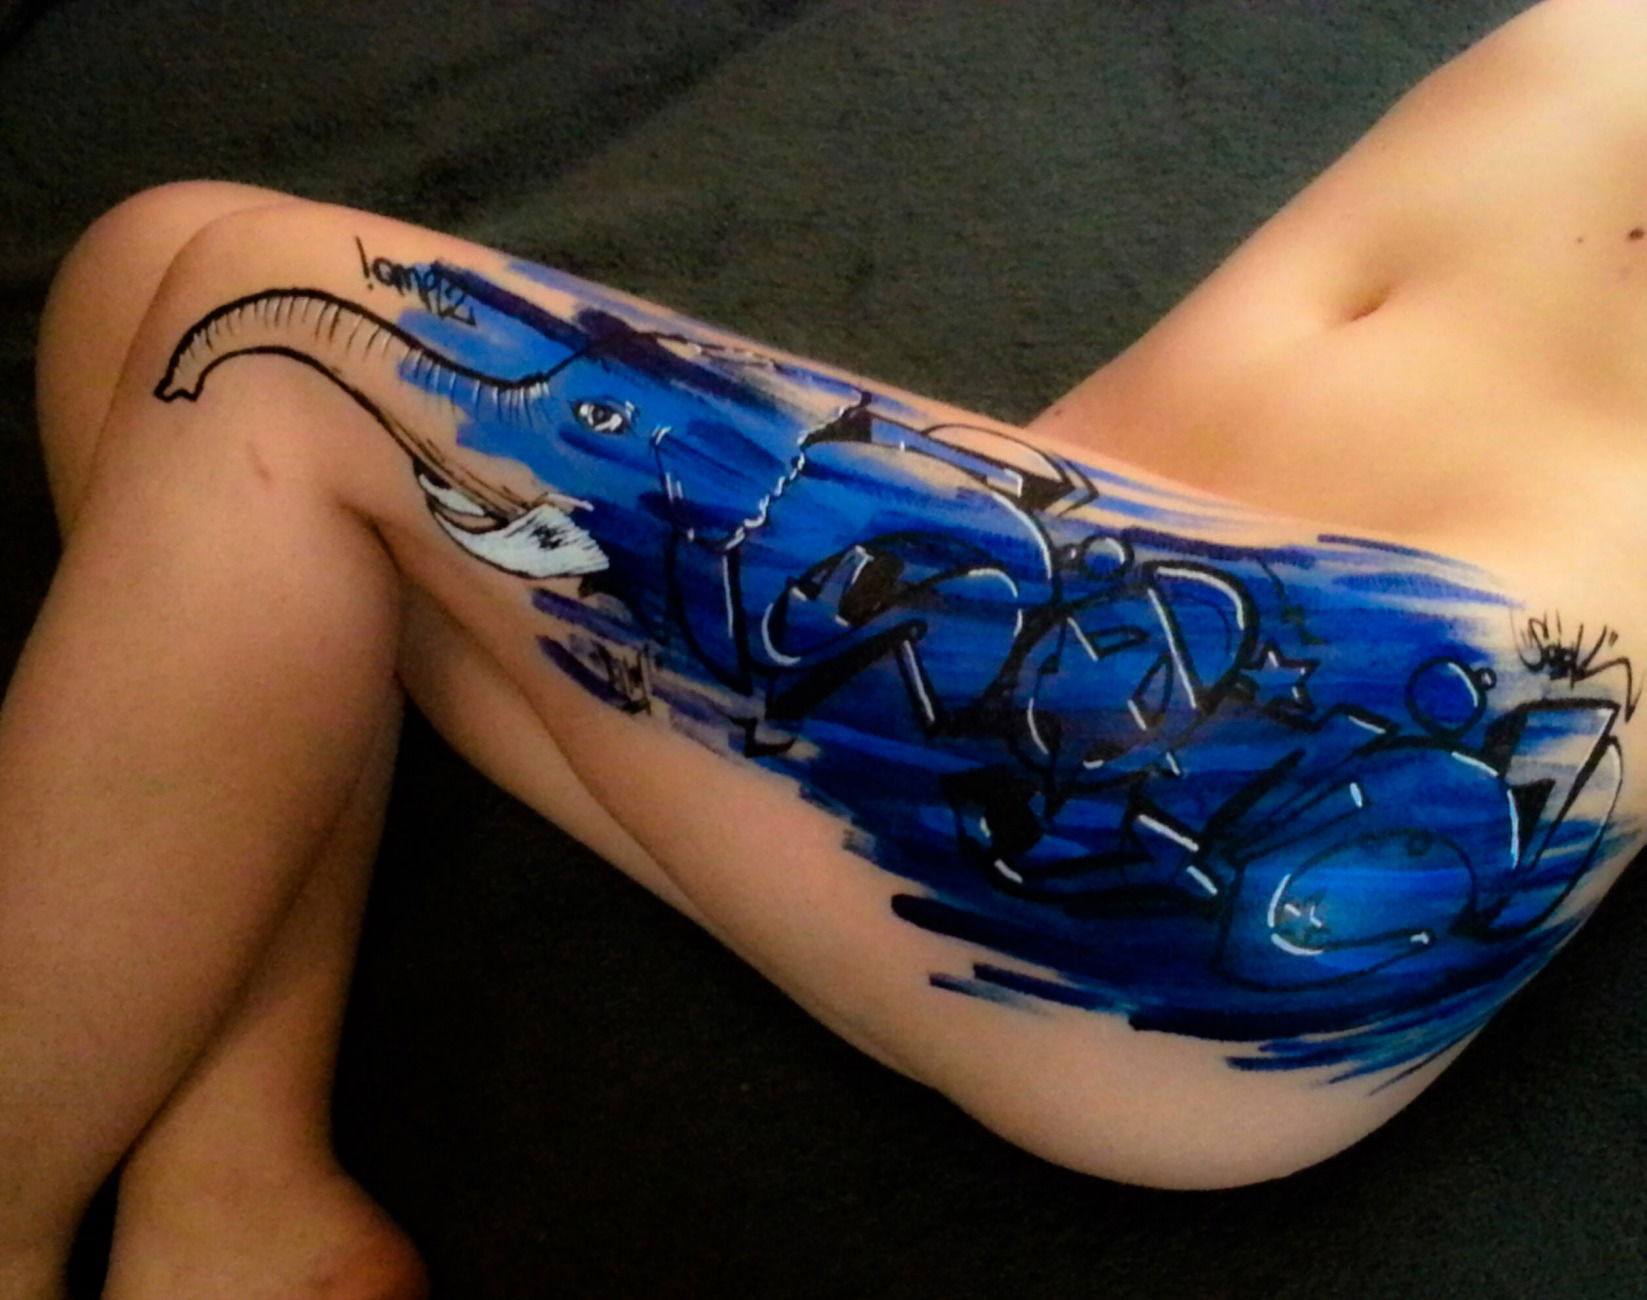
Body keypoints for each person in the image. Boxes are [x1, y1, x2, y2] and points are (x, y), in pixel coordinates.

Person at [3, 0, 1646, 1295]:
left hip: (1270, 800)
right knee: (157, 278)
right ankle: (226, 1189)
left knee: (272, 332)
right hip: (1052, 646)